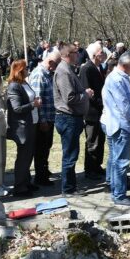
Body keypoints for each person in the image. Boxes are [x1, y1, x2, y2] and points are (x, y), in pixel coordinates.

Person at [101, 52, 130, 206]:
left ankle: (115, 189)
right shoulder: (117, 79)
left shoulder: (116, 77)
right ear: (126, 65)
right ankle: (119, 195)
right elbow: (123, 106)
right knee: (121, 162)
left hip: (113, 122)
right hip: (118, 124)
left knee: (114, 159)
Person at [53, 42, 91, 195]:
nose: (79, 55)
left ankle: (70, 186)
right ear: (68, 55)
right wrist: (85, 95)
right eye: (76, 52)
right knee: (70, 155)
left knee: (71, 154)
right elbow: (69, 98)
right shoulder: (63, 71)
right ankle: (68, 189)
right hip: (67, 118)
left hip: (72, 118)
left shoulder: (68, 69)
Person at [6, 59, 39, 196]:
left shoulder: (24, 83)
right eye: (25, 68)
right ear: (19, 70)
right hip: (22, 126)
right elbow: (17, 108)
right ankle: (19, 187)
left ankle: (26, 182)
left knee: (29, 155)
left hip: (32, 122)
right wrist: (33, 105)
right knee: (23, 157)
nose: (28, 70)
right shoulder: (14, 86)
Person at [29, 49, 58, 187]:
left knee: (46, 147)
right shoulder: (39, 75)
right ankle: (40, 176)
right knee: (41, 148)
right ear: (50, 62)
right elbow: (37, 100)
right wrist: (43, 120)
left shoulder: (48, 74)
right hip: (43, 120)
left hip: (50, 117)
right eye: (56, 64)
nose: (56, 67)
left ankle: (44, 171)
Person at [80, 42, 107, 180]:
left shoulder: (99, 67)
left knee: (100, 140)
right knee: (92, 141)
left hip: (101, 111)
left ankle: (97, 165)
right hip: (92, 111)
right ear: (94, 55)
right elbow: (87, 91)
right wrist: (100, 103)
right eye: (101, 52)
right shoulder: (87, 69)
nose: (104, 54)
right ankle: (90, 169)